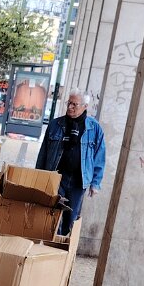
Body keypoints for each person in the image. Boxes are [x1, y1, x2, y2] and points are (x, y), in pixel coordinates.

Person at [35, 89, 105, 237]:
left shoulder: (94, 128)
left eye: (75, 104)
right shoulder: (55, 124)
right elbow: (43, 153)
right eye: (69, 103)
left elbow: (99, 157)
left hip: (78, 182)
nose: (70, 107)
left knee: (70, 218)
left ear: (85, 106)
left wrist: (95, 183)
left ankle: (63, 244)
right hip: (56, 177)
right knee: (52, 214)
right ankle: (50, 243)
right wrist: (38, 176)